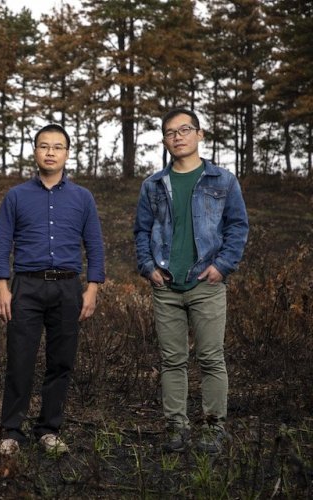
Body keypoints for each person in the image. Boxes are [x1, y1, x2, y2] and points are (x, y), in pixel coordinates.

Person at [134, 108, 249, 454]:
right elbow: (140, 230)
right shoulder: (152, 185)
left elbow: (238, 227)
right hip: (166, 285)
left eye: (185, 129)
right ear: (165, 141)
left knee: (212, 358)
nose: (178, 136)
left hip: (206, 284)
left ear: (199, 134)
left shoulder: (223, 181)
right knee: (172, 360)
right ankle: (176, 428)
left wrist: (223, 266)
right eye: (170, 132)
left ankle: (214, 428)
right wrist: (147, 266)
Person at [0, 123, 105, 456]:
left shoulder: (83, 198)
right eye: (44, 146)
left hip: (69, 288)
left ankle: (49, 429)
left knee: (61, 362)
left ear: (67, 153)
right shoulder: (16, 196)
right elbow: (1, 242)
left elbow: (95, 244)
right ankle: (11, 431)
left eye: (58, 146)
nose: (51, 152)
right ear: (35, 151)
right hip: (25, 286)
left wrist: (92, 288)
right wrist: (2, 286)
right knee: (20, 360)